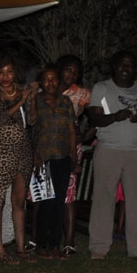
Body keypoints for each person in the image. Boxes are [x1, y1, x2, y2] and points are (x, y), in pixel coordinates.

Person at [86, 50, 137, 261]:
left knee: (136, 200)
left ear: (135, 69)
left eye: (130, 65)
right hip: (108, 148)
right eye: (121, 64)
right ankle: (99, 247)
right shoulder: (102, 87)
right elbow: (94, 118)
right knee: (103, 198)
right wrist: (115, 117)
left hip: (136, 151)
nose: (126, 69)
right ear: (114, 66)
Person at [0, 52, 38, 264]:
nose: (5, 76)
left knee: (19, 201)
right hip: (3, 151)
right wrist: (22, 99)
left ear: (16, 73)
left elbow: (32, 119)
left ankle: (21, 248)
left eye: (9, 72)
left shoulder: (23, 90)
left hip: (23, 150)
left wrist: (31, 100)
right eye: (1, 72)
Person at [26, 65, 76, 259]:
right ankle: (41, 244)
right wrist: (35, 155)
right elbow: (30, 126)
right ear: (41, 82)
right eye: (46, 79)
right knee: (44, 203)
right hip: (43, 158)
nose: (51, 83)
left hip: (62, 157)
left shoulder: (66, 102)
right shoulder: (36, 101)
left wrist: (74, 156)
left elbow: (71, 131)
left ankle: (55, 244)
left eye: (54, 79)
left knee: (58, 202)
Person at [55, 54, 90, 256]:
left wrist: (85, 135)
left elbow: (97, 114)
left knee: (69, 194)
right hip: (47, 145)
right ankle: (44, 239)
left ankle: (69, 241)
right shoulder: (45, 87)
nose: (72, 74)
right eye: (69, 69)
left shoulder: (82, 93)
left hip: (69, 145)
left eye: (76, 71)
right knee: (47, 192)